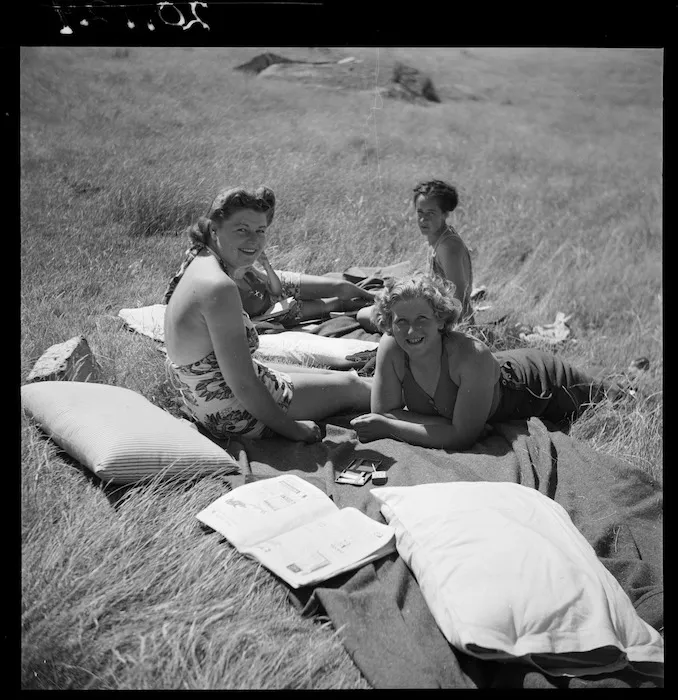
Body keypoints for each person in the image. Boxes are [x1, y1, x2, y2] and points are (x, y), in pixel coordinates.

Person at [162, 185, 372, 443]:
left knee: (334, 376)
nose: (254, 240)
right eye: (242, 230)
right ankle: (422, 396)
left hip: (202, 398)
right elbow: (243, 385)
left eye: (260, 230)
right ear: (214, 229)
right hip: (233, 412)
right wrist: (294, 429)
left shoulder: (198, 257)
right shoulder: (218, 286)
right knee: (352, 388)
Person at [350, 274, 620, 450]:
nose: (411, 331)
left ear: (441, 320)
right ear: (389, 324)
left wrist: (390, 426)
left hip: (540, 381)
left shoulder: (470, 356)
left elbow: (461, 437)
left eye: (422, 319)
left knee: (610, 397)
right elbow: (383, 411)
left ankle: (627, 384)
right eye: (402, 322)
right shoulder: (391, 346)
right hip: (498, 370)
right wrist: (448, 427)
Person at [357, 179, 474, 332]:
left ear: (445, 214)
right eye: (420, 212)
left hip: (448, 323)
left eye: (431, 213)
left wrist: (443, 329)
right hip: (434, 312)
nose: (423, 219)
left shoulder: (447, 247)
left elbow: (460, 298)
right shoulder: (438, 239)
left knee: (364, 315)